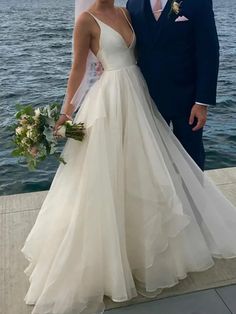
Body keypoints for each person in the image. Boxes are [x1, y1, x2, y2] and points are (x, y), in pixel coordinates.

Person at [21, 1, 236, 314]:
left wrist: (202, 99)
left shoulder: (125, 11)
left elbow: (176, 48)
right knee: (107, 174)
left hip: (140, 97)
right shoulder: (86, 19)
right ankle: (113, 255)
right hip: (110, 102)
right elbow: (78, 68)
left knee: (145, 170)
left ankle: (170, 233)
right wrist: (67, 112)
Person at [126, 0, 220, 170]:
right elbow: (131, 45)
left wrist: (202, 102)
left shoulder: (199, 2)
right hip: (147, 97)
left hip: (188, 99)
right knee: (152, 157)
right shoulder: (133, 3)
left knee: (191, 156)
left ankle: (193, 196)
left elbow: (209, 52)